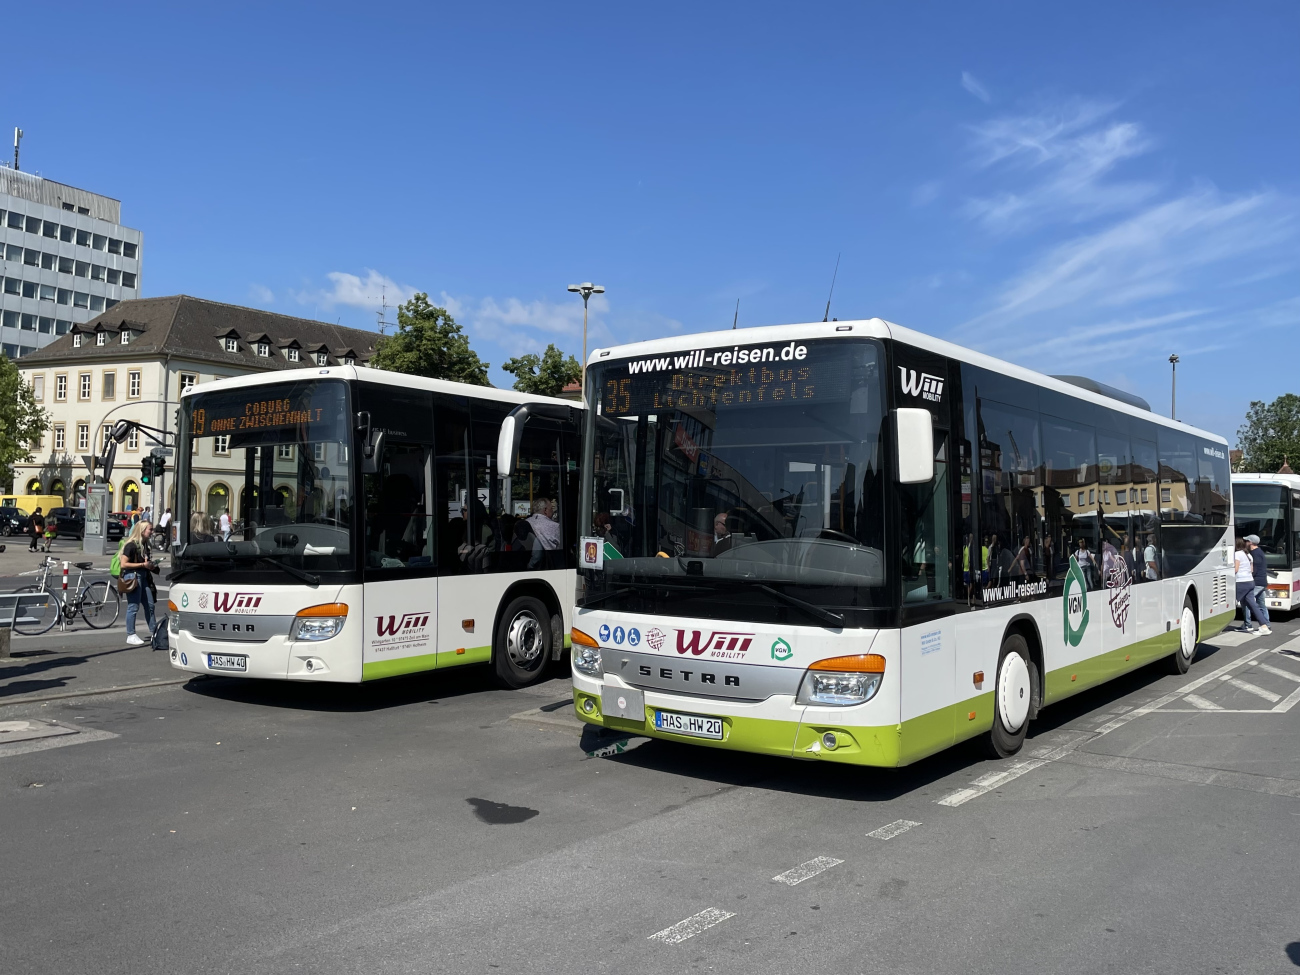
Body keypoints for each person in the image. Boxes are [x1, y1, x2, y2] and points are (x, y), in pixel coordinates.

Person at [120, 520, 159, 646]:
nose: (152, 532)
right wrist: (143, 564)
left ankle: (154, 632)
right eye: (150, 529)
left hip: (143, 577)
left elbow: (145, 562)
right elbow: (123, 564)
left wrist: (151, 565)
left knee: (150, 605)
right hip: (133, 577)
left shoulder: (145, 544)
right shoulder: (131, 545)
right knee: (133, 606)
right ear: (142, 531)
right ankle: (130, 634)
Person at [1233, 537, 1266, 633]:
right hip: (1250, 582)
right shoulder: (1248, 555)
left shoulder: (1237, 554)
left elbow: (1236, 569)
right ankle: (1264, 626)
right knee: (1253, 605)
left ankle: (1218, 625)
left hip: (1241, 582)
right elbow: (1251, 570)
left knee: (1230, 602)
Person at [1245, 533, 1273, 635]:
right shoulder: (1259, 551)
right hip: (1262, 582)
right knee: (1261, 604)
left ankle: (1248, 625)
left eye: (1246, 541)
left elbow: (1254, 569)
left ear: (1250, 542)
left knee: (1248, 601)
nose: (1245, 543)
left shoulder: (1254, 554)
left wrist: (1248, 577)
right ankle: (1267, 624)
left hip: (1257, 582)